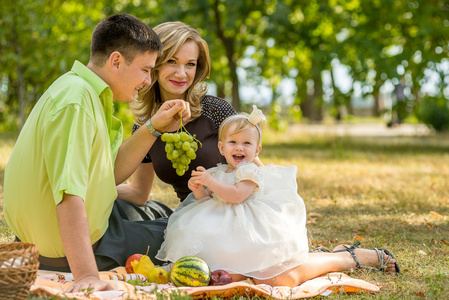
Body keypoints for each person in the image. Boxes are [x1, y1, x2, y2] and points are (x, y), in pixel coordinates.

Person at [3, 14, 191, 293]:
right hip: (71, 249)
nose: (147, 80)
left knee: (157, 210)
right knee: (187, 227)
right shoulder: (76, 104)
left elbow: (109, 172)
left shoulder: (79, 89)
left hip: (61, 231)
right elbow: (68, 196)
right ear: (116, 61)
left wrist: (154, 127)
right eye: (145, 70)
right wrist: (87, 276)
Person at [156, 106, 400, 287]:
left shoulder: (250, 172)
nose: (239, 148)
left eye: (246, 143)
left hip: (248, 228)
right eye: (232, 142)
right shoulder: (218, 171)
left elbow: (237, 196)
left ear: (257, 150)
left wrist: (210, 182)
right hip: (220, 228)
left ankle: (347, 257)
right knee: (224, 270)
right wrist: (199, 188)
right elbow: (206, 201)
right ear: (221, 148)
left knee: (273, 276)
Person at [116, 21, 240, 207]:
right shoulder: (145, 126)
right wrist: (89, 189)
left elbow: (255, 169)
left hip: (233, 209)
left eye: (190, 64)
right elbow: (138, 193)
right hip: (190, 218)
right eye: (172, 61)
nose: (181, 74)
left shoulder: (216, 110)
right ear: (154, 64)